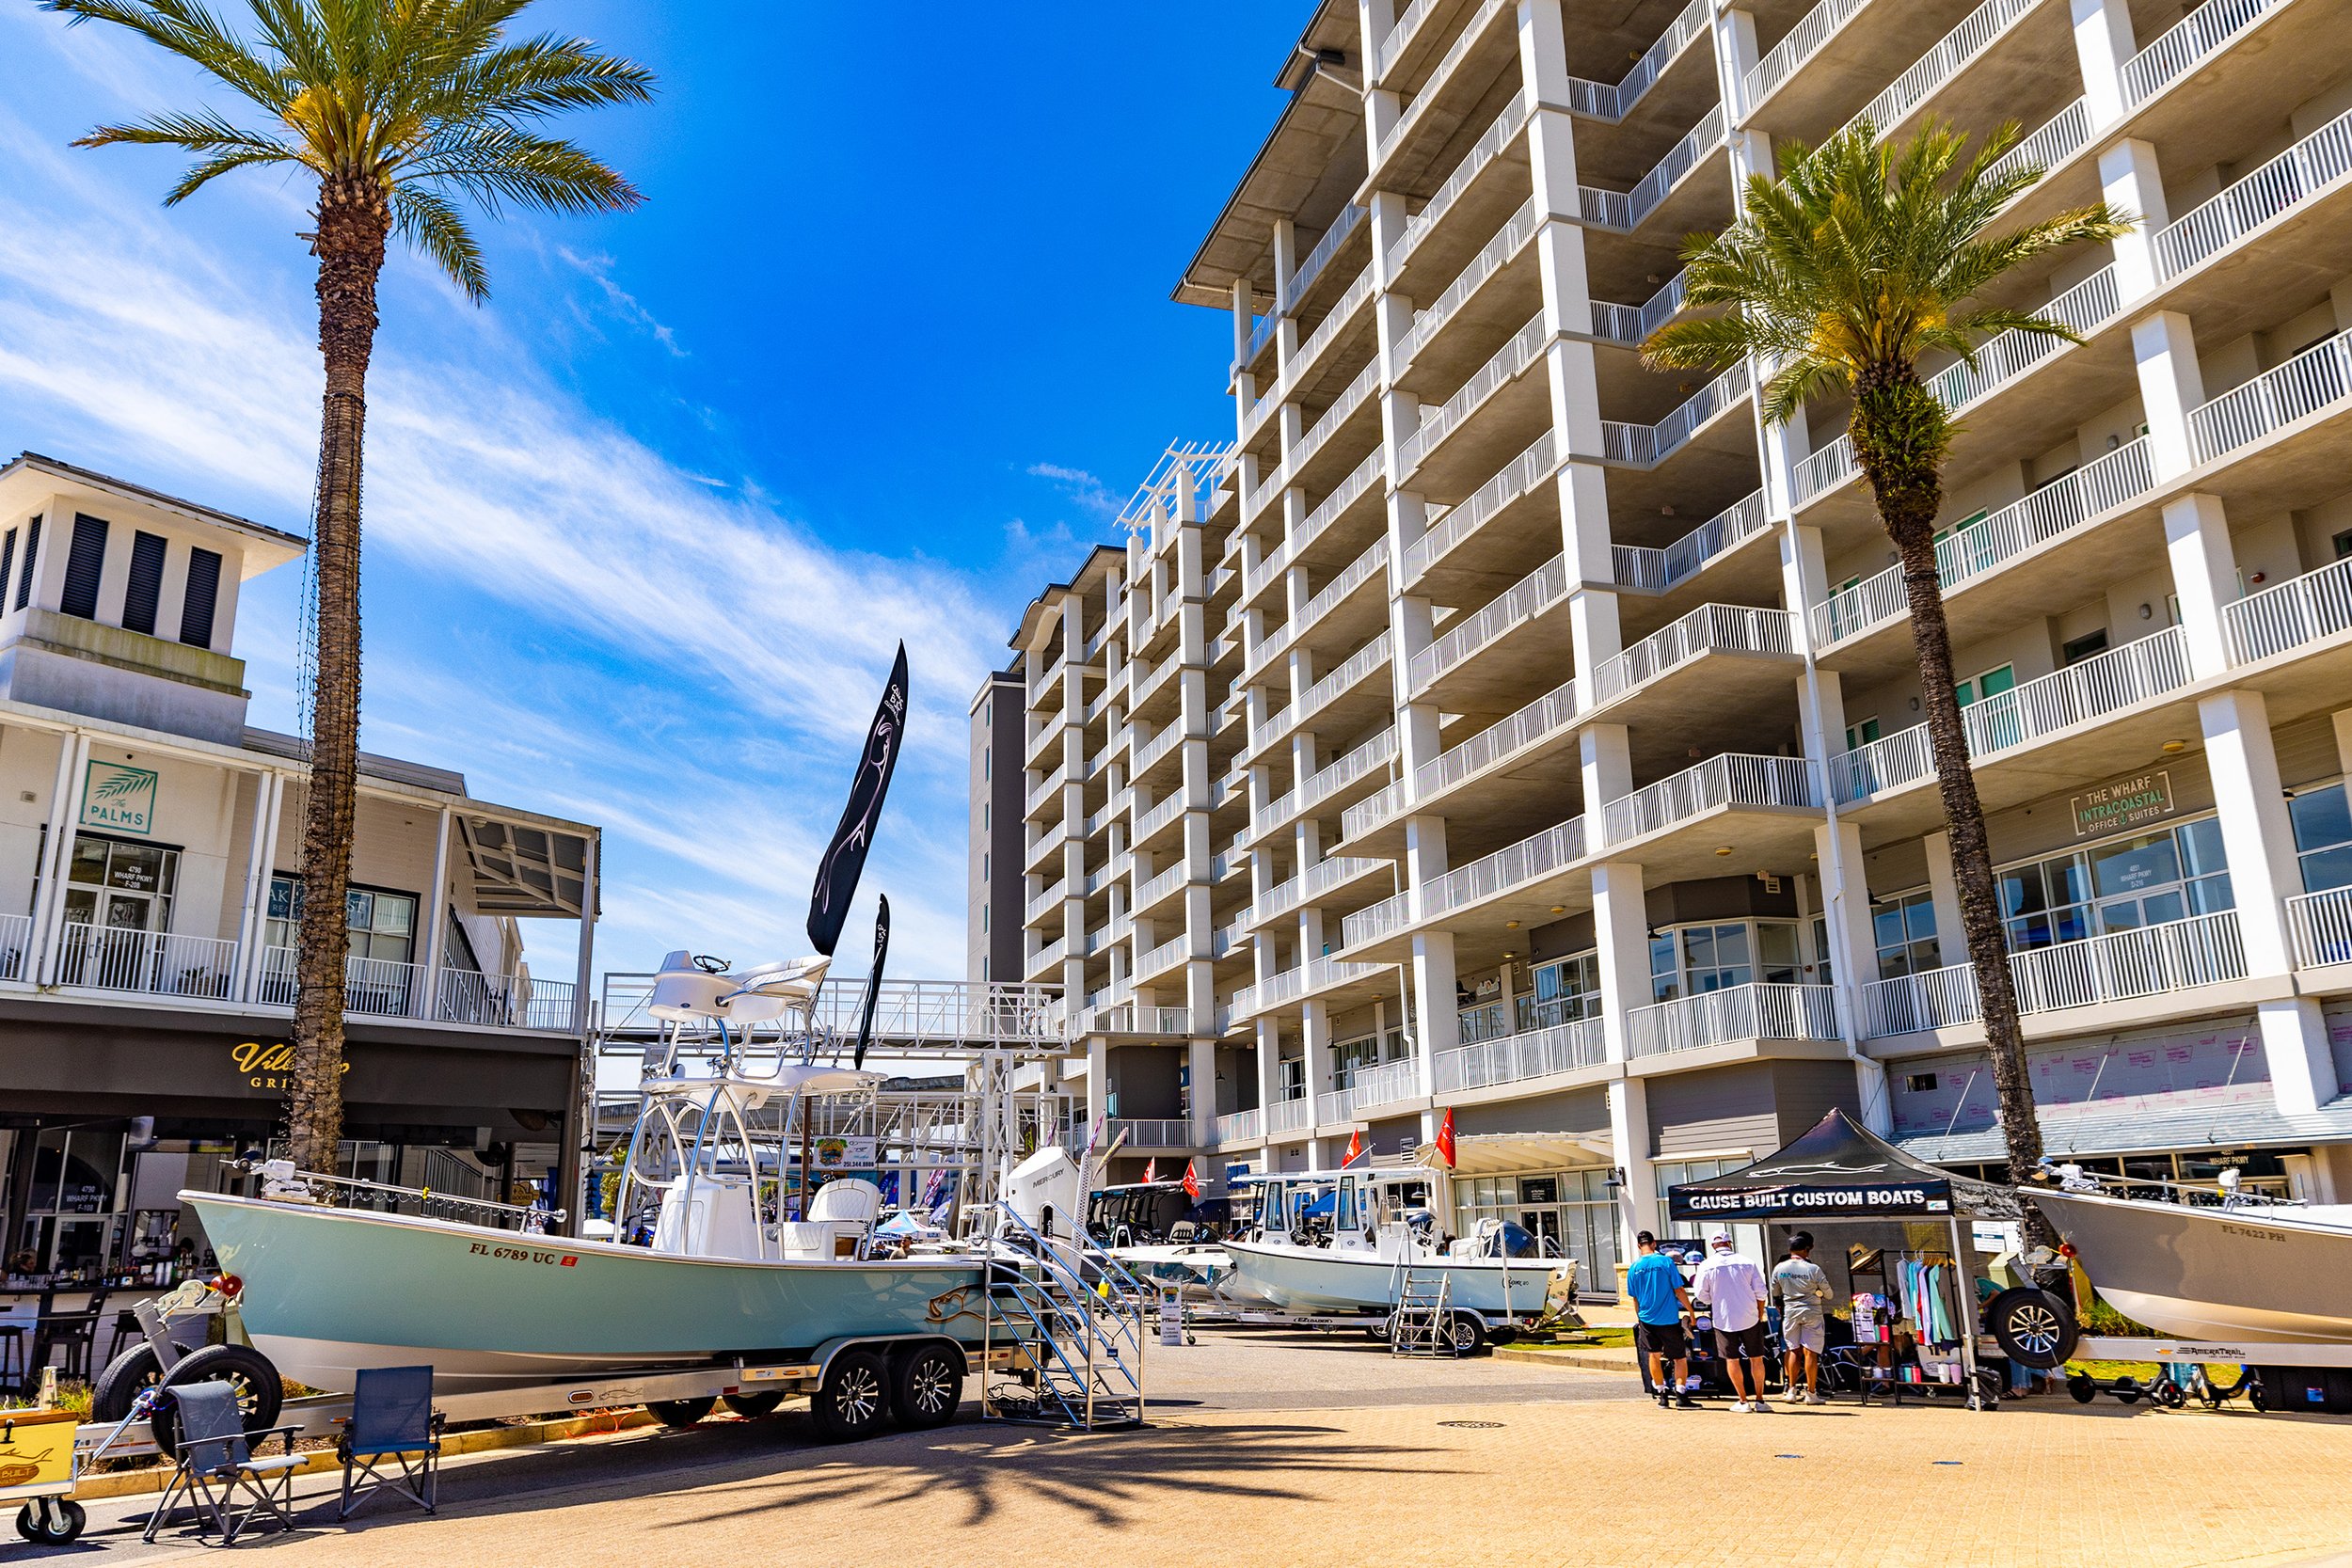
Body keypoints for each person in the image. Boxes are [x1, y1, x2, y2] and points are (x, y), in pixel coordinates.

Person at [1693, 1229, 1772, 1412]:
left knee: (1732, 1360)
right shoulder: (1747, 1262)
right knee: (1756, 1359)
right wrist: (1759, 1313)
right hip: (1749, 1316)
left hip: (1724, 1318)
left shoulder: (1706, 1265)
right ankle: (1760, 1400)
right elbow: (1761, 1292)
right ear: (1730, 1243)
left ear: (1713, 1246)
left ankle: (1743, 1401)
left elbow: (1701, 1295)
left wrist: (1714, 1299)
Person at [1626, 1230, 1697, 1409]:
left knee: (1654, 1355)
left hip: (1646, 1318)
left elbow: (1635, 1298)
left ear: (1638, 1246)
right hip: (1668, 1319)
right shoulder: (1666, 1262)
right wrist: (1691, 1311)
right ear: (1654, 1243)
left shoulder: (1634, 1268)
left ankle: (1662, 1395)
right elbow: (1679, 1290)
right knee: (1679, 1357)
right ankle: (1681, 1395)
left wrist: (1639, 1318)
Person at [1772, 1230, 1834, 1404]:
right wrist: (1817, 1292)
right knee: (1810, 1352)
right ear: (1806, 1250)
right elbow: (1829, 1294)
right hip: (1811, 1311)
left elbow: (1775, 1292)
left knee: (1792, 1349)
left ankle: (1791, 1390)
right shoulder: (1813, 1269)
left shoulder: (1780, 1268)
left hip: (1790, 1312)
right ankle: (1811, 1393)